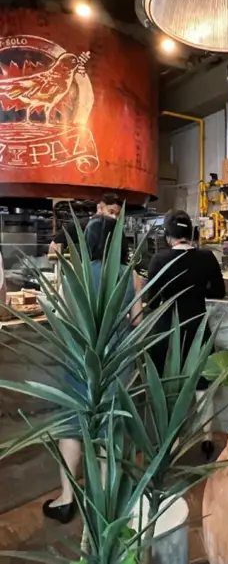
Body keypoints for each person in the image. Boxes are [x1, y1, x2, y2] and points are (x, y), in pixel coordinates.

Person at [43, 216, 139, 524]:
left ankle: (67, 499)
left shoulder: (74, 273)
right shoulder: (133, 277)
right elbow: (137, 322)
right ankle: (106, 503)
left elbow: (65, 315)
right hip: (115, 363)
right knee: (110, 429)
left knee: (72, 424)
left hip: (79, 357)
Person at [145, 210, 226, 458]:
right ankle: (207, 438)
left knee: (168, 388)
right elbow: (219, 292)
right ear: (190, 233)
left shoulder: (159, 260)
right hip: (198, 327)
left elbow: (152, 301)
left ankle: (172, 441)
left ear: (168, 235)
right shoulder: (207, 257)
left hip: (167, 332)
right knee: (203, 386)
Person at [49, 193, 125, 259]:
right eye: (111, 212)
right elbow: (53, 246)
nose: (114, 217)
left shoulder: (117, 231)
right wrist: (68, 266)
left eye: (117, 214)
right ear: (99, 208)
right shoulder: (77, 226)